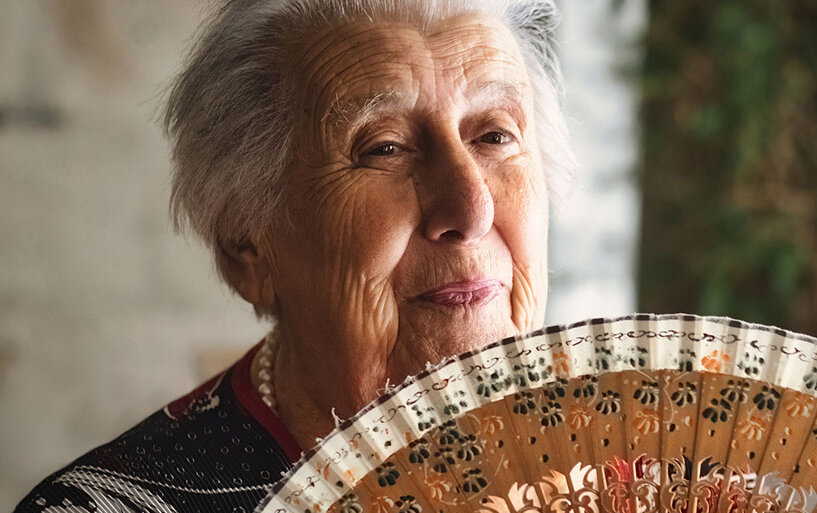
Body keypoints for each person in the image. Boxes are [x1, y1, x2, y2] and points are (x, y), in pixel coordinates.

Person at [15, 0, 575, 510]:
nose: (471, 209)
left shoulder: (641, 458)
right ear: (249, 249)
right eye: (384, 148)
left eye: (495, 135)